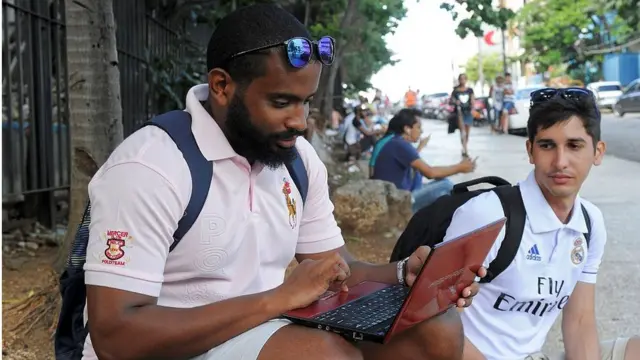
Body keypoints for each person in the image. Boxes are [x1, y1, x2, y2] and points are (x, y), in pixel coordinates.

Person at [82, 5, 483, 360]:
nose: (300, 121)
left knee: (436, 330)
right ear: (222, 86)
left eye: (306, 101)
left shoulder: (296, 160)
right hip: (173, 348)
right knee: (322, 355)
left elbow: (337, 270)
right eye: (281, 102)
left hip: (259, 329)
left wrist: (402, 275)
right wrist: (278, 298)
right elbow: (118, 339)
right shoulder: (152, 168)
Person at [441, 88, 640, 359]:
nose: (560, 162)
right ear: (530, 150)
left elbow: (580, 320)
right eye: (547, 145)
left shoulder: (590, 222)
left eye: (574, 145)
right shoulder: (488, 214)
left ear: (598, 151)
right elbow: (435, 324)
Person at [371, 108, 476, 213]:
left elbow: (428, 171)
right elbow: (430, 173)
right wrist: (460, 167)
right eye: (418, 127)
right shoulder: (400, 144)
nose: (421, 131)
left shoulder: (397, 142)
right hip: (398, 201)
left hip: (397, 195)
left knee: (442, 182)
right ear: (407, 129)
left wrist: (459, 167)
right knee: (446, 186)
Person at [451, 74, 475, 157]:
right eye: (461, 79)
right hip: (459, 112)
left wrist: (473, 108)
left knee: (467, 132)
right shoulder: (456, 91)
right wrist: (455, 102)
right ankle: (465, 149)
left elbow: (472, 99)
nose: (462, 81)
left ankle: (465, 146)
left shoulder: (470, 90)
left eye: (464, 79)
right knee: (462, 131)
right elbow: (452, 100)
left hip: (468, 112)